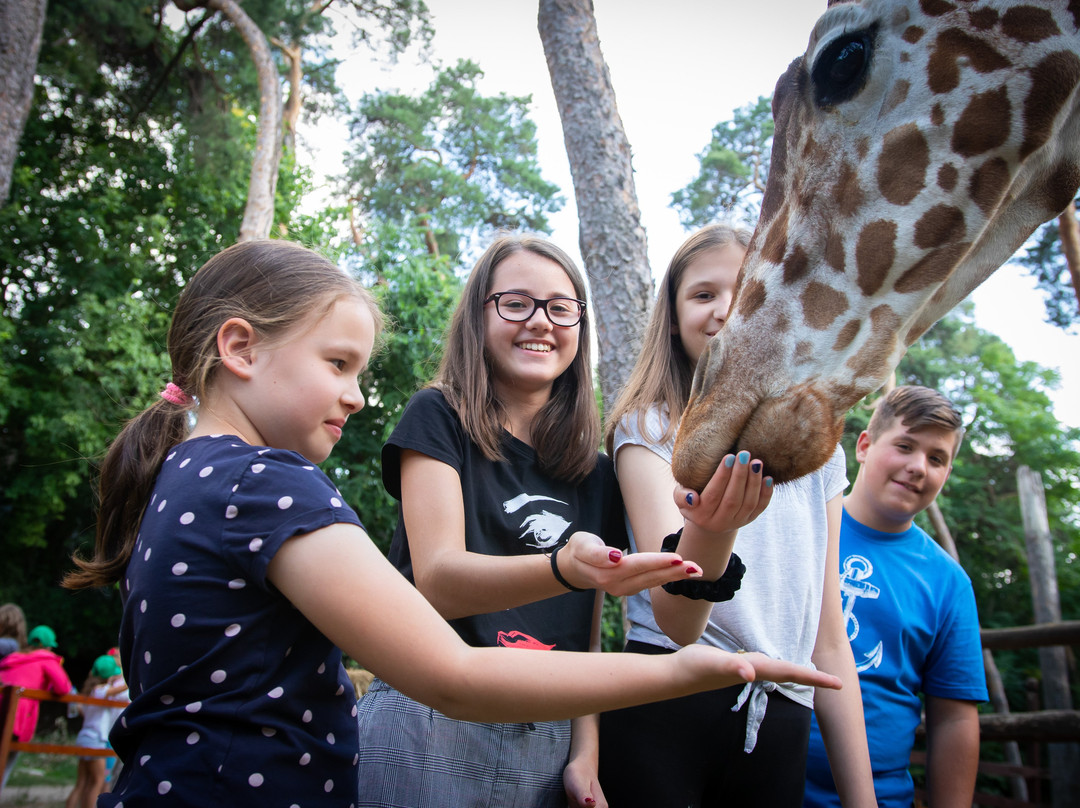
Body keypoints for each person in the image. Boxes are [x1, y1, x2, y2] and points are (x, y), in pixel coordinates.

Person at [61, 238, 842, 807]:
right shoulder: (270, 483)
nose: (358, 394)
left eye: (562, 306)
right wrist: (684, 669)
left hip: (527, 721)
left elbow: (596, 621)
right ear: (239, 347)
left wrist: (589, 735)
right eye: (339, 365)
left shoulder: (192, 474)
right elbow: (450, 659)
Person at [354, 232, 773, 808]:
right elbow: (439, 582)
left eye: (560, 307)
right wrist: (564, 567)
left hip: (546, 731)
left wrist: (584, 751)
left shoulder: (594, 474)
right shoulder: (439, 416)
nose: (540, 322)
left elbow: (584, 636)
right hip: (431, 715)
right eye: (516, 303)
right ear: (479, 316)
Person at [597, 223, 877, 808]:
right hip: (667, 697)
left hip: (784, 715)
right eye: (704, 294)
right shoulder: (647, 427)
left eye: (749, 292)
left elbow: (828, 637)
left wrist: (863, 799)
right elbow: (677, 620)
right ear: (672, 318)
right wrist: (713, 528)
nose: (728, 310)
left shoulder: (820, 451)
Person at [803, 385, 987, 808]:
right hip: (761, 779)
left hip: (881, 796)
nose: (918, 467)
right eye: (904, 445)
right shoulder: (803, 527)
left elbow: (954, 717)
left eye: (937, 458)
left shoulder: (948, 583)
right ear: (864, 445)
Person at [0, 624, 74, 789]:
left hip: (2, 708)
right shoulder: (46, 659)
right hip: (16, 718)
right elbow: (63, 687)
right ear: (47, 646)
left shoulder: (12, 658)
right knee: (6, 761)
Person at [65, 654, 128, 808]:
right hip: (96, 740)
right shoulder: (102, 690)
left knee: (81, 783)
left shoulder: (89, 690)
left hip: (84, 737)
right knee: (96, 782)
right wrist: (129, 676)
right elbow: (122, 688)